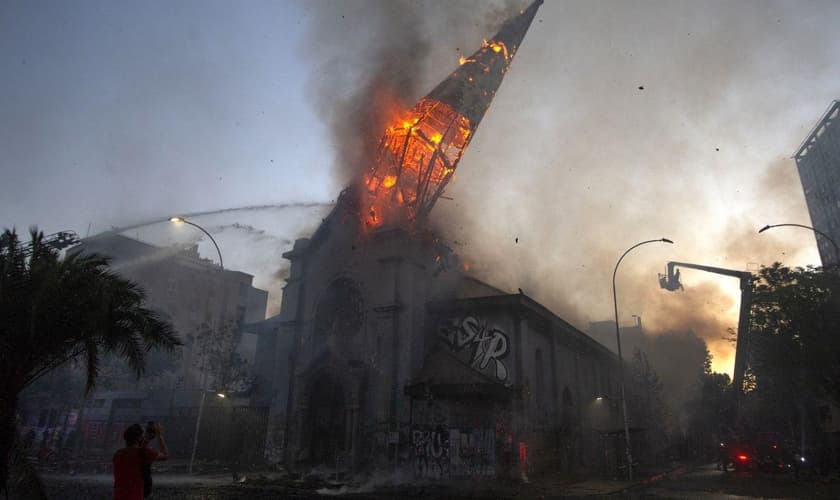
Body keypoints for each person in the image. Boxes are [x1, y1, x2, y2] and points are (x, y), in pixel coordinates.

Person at [113, 423, 168, 500]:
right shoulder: (143, 453)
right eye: (142, 435)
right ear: (139, 438)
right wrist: (159, 435)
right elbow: (165, 455)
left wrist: (146, 441)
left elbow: (137, 453)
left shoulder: (118, 454)